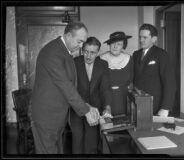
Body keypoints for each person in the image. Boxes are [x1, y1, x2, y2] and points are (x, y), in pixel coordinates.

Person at [30, 21, 100, 154]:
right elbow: (65, 85)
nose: (80, 47)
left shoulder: (63, 50)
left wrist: (87, 106)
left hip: (56, 115)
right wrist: (86, 111)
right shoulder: (53, 52)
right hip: (46, 116)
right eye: (79, 42)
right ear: (68, 35)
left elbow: (69, 86)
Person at [70, 37, 112, 154]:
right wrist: (84, 105)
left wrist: (107, 107)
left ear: (98, 52)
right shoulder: (73, 63)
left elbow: (105, 88)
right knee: (77, 140)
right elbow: (71, 89)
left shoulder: (103, 64)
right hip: (77, 108)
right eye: (86, 51)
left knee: (91, 142)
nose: (88, 56)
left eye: (92, 52)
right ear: (82, 50)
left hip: (95, 109)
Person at [132, 23, 176, 117]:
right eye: (140, 37)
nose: (141, 40)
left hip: (155, 105)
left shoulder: (162, 55)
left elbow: (169, 82)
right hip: (138, 103)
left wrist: (165, 107)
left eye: (145, 37)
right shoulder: (136, 54)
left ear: (154, 39)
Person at [101, 31, 133, 116]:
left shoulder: (130, 59)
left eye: (119, 44)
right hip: (104, 100)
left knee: (125, 126)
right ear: (109, 44)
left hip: (124, 100)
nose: (115, 46)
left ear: (123, 46)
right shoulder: (100, 60)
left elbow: (133, 82)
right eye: (113, 43)